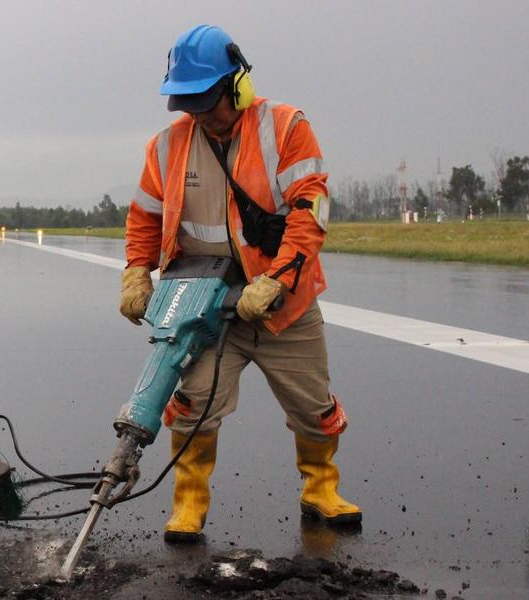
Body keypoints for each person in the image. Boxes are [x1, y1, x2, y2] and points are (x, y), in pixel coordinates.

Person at [118, 24, 359, 544]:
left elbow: (309, 212)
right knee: (193, 404)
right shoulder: (167, 146)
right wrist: (137, 270)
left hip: (281, 304)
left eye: (207, 100)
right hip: (202, 304)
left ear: (238, 85)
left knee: (313, 407)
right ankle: (188, 503)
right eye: (188, 102)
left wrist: (276, 281)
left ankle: (321, 488)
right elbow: (144, 217)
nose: (200, 113)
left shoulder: (285, 127)